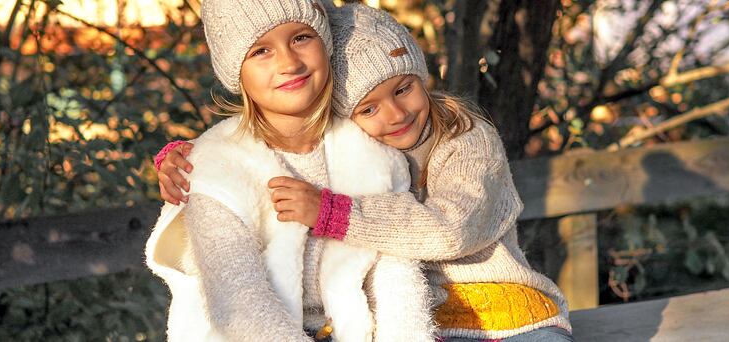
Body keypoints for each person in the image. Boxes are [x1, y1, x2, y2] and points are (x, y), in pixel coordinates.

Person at [155, 3, 574, 341]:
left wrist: (333, 213)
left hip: (504, 313)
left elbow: (452, 229)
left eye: (403, 89)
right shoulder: (354, 138)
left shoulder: (462, 138)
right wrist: (193, 158)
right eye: (368, 108)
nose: (393, 115)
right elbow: (251, 156)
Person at [144, 1, 433, 341]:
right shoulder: (216, 167)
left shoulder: (373, 152)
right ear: (235, 71)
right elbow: (239, 302)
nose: (289, 63)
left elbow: (396, 276)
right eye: (261, 51)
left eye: (301, 37)